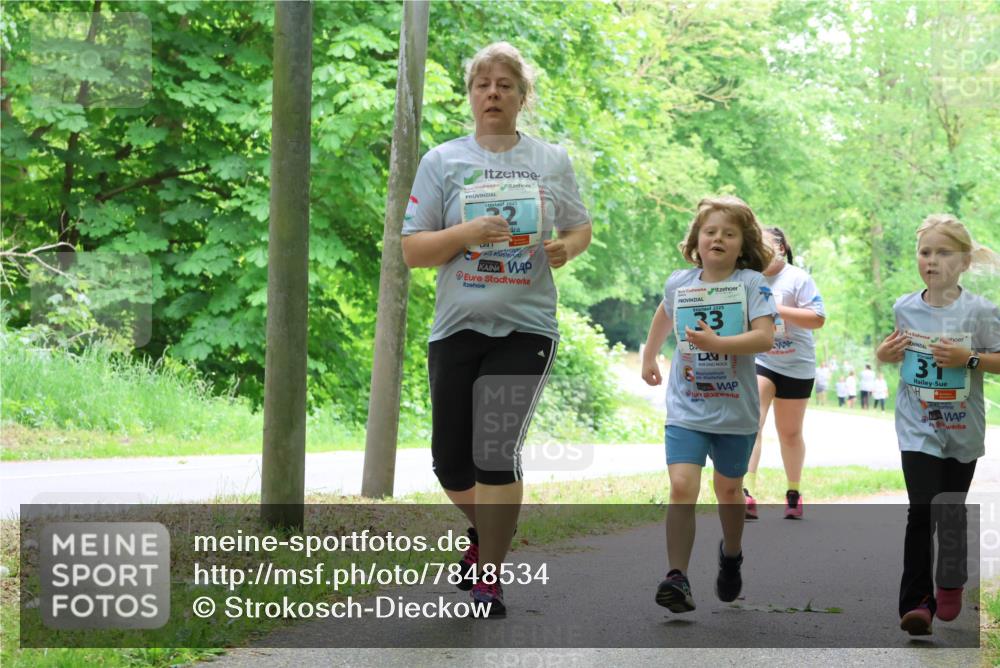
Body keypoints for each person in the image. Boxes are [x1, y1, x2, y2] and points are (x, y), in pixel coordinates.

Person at [401, 42, 592, 617]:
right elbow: (413, 251)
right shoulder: (442, 161)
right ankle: (488, 530)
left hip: (526, 327)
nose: (493, 93)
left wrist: (566, 248)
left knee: (495, 452)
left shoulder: (550, 160)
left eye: (505, 85)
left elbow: (578, 228)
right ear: (470, 95)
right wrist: (466, 234)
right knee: (450, 464)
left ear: (522, 97)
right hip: (457, 327)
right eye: (482, 84)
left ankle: (490, 576)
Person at [641, 195, 776, 613]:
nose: (718, 239)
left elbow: (765, 337)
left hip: (735, 411)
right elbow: (665, 313)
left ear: (742, 245)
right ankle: (676, 577)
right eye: (710, 231)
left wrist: (719, 344)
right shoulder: (680, 283)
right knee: (682, 486)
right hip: (687, 406)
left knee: (728, 490)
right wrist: (649, 355)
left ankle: (731, 555)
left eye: (729, 234)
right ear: (696, 240)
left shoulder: (752, 284)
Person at [875, 213, 1000, 636]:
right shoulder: (905, 307)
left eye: (943, 253)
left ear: (964, 261)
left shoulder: (980, 312)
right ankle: (916, 603)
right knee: (922, 509)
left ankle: (950, 580)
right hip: (917, 424)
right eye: (925, 252)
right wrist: (884, 354)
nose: (932, 260)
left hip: (962, 427)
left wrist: (969, 359)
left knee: (950, 510)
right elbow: (895, 352)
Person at [744, 228, 826, 520]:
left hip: (796, 364)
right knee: (753, 422)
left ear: (780, 247)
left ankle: (793, 492)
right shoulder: (748, 278)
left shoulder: (798, 278)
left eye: (764, 244)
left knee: (789, 433)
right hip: (762, 358)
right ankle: (746, 493)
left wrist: (776, 309)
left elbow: (817, 318)